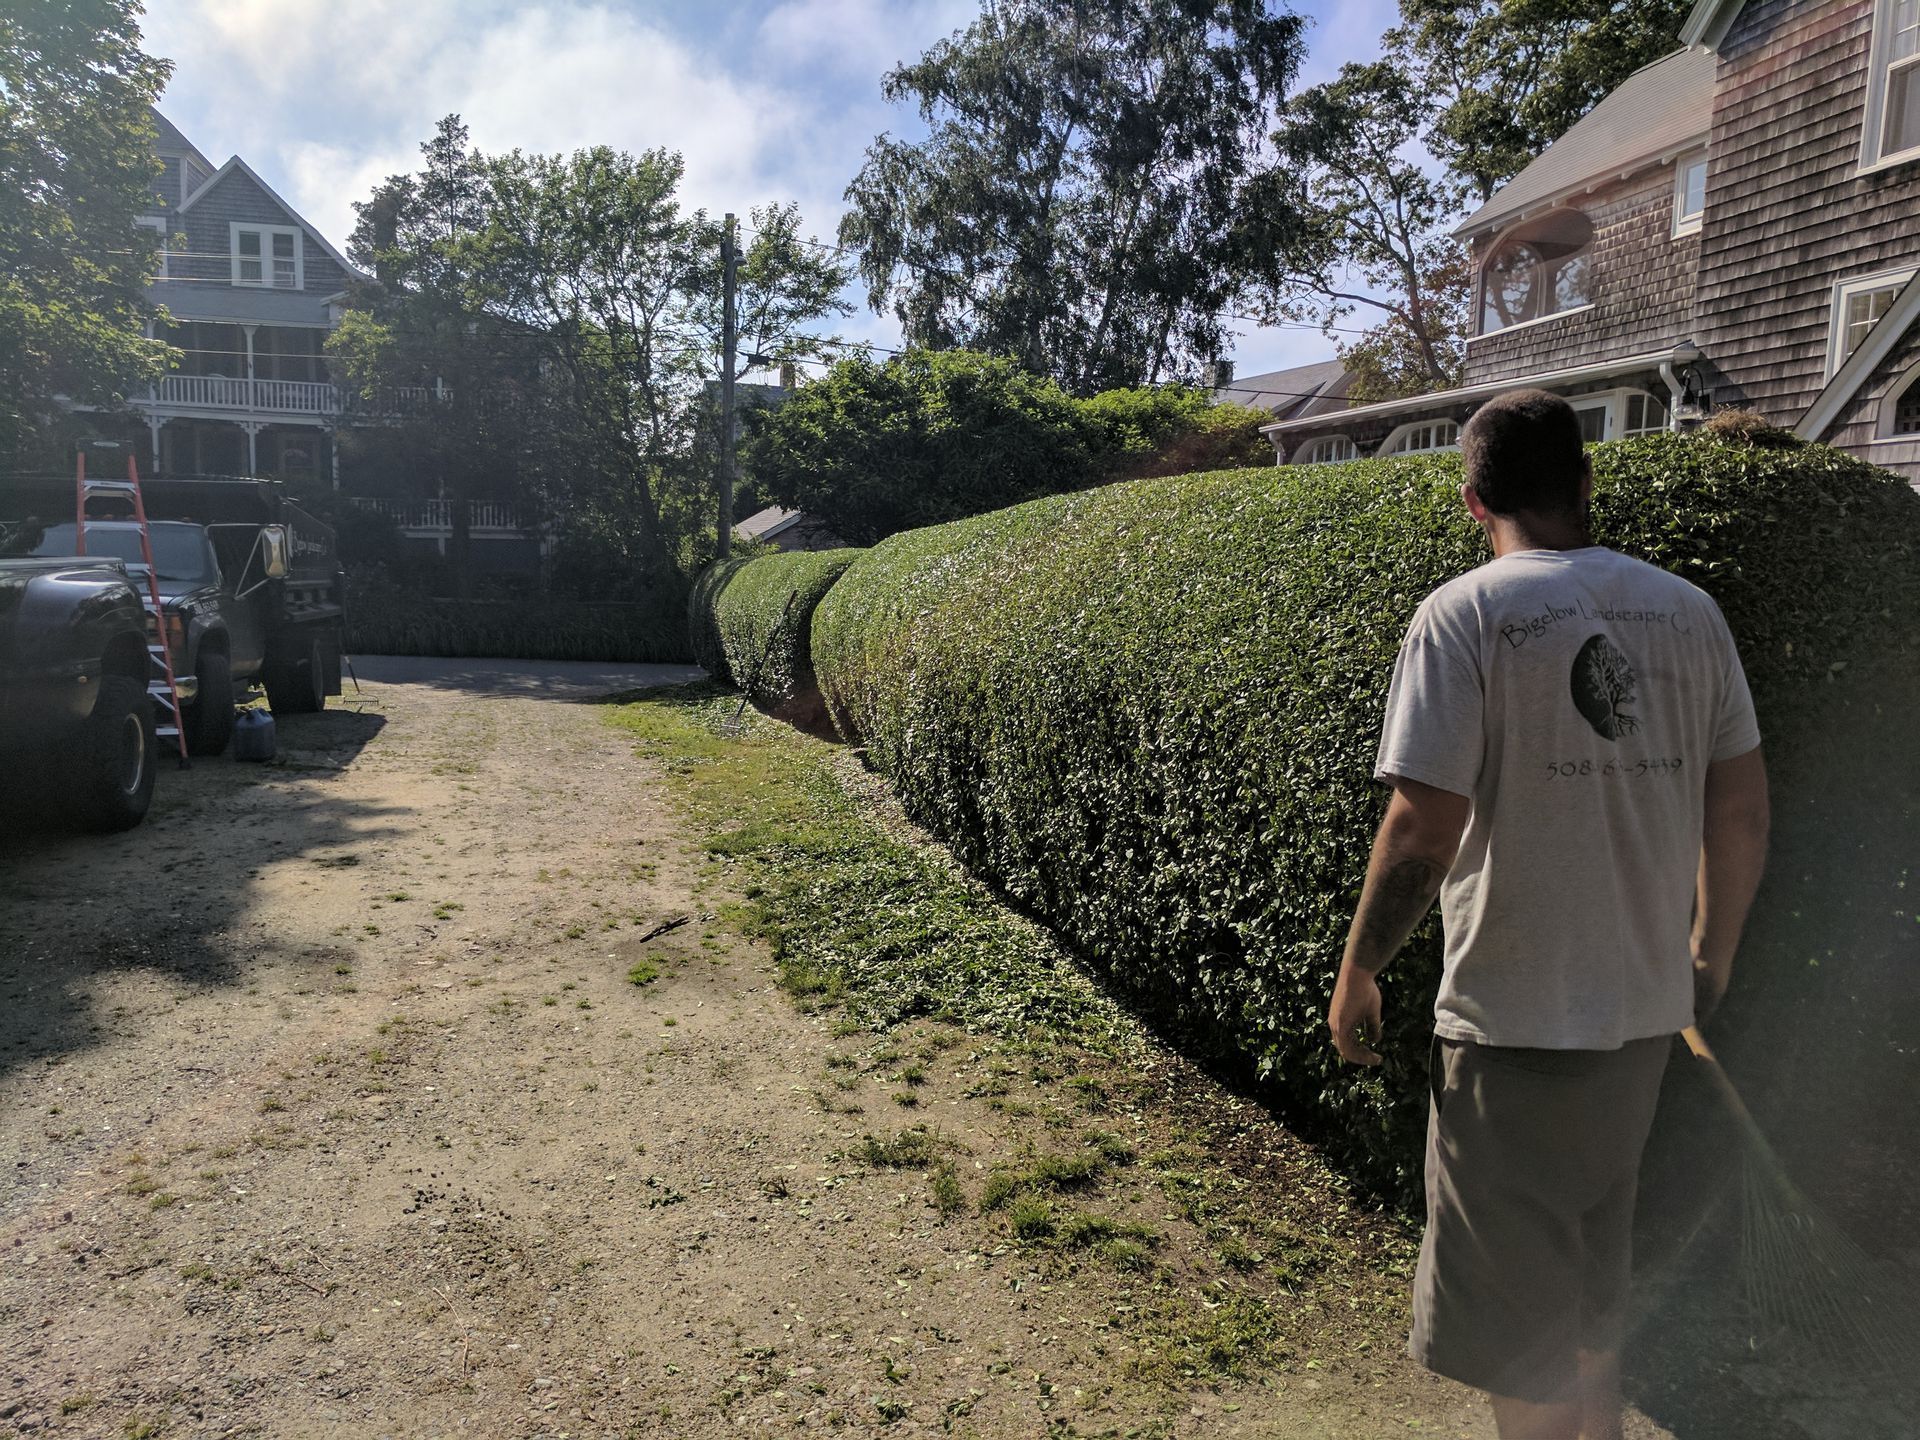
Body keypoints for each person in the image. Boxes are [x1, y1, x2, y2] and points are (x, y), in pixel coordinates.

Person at [1326, 389, 1771, 1440]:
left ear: (1472, 502)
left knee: (1517, 1335)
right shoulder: (1690, 613)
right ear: (1584, 481)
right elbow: (1742, 812)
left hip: (1512, 1027)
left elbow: (1423, 831)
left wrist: (1358, 971)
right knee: (1591, 1289)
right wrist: (1708, 957)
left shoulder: (1464, 615)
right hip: (1641, 1027)